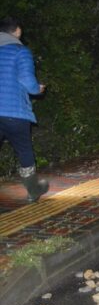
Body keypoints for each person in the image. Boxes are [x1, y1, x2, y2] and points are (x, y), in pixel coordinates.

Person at [0, 17, 48, 202]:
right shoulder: (20, 51)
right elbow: (27, 81)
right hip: (14, 111)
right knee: (24, 149)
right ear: (17, 31)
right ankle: (33, 190)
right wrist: (37, 88)